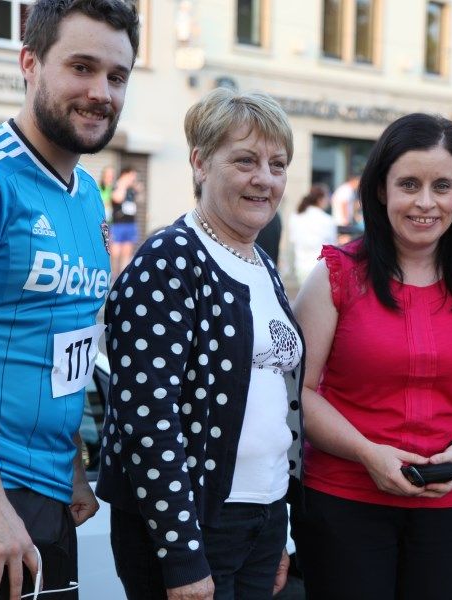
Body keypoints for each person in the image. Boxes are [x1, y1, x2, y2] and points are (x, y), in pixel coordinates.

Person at [0, 2, 138, 599]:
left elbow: (62, 338)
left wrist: (71, 466)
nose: (100, 93)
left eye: (116, 76)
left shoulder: (89, 196)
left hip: (47, 492)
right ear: (29, 63)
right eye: (81, 67)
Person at [291, 113, 452, 600]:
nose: (425, 202)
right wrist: (367, 453)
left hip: (451, 506)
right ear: (381, 190)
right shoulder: (337, 274)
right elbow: (298, 392)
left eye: (442, 186)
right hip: (344, 501)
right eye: (409, 184)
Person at [95, 88, 304, 600]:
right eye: (245, 161)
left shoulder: (261, 263)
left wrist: (280, 528)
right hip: (193, 524)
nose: (265, 178)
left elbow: (275, 404)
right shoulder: (169, 260)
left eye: (277, 164)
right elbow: (146, 418)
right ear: (200, 163)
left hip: (263, 516)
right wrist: (182, 557)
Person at [289, 183, 337, 284]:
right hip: (321, 269)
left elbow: (293, 240)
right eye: (327, 197)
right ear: (320, 199)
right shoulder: (328, 220)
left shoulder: (295, 216)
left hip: (301, 267)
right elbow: (332, 247)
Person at [109, 166, 140, 275]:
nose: (133, 179)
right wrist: (123, 185)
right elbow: (118, 198)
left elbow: (139, 198)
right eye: (132, 176)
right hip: (118, 224)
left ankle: (123, 277)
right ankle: (113, 277)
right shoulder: (117, 185)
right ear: (125, 174)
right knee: (115, 254)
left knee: (127, 254)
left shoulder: (132, 188)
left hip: (130, 223)